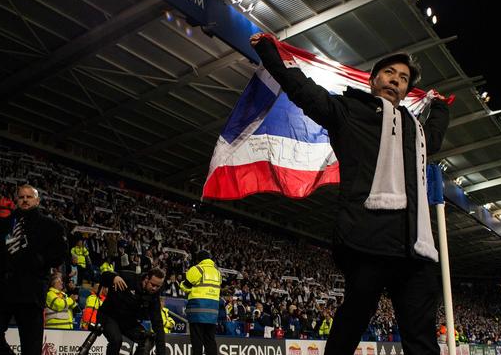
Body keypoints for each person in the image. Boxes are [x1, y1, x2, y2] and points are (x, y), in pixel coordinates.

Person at [251, 33, 450, 354]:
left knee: (422, 337)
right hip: (366, 240)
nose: (395, 81)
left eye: (403, 79)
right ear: (373, 80)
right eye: (389, 73)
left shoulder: (417, 132)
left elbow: (435, 137)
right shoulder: (347, 111)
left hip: (416, 249)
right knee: (353, 321)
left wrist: (440, 108)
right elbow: (301, 89)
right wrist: (268, 51)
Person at [0, 184, 68, 355]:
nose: (25, 200)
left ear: (37, 200)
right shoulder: (1, 225)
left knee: (31, 346)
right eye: (21, 197)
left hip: (30, 293)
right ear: (16, 200)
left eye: (29, 197)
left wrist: (40, 260)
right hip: (1, 292)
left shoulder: (51, 226)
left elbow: (60, 253)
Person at [97, 268, 166, 355]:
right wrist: (113, 277)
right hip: (109, 315)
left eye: (158, 286)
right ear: (146, 279)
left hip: (128, 322)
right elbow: (103, 276)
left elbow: (158, 324)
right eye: (153, 284)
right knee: (116, 340)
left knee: (148, 339)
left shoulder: (154, 296)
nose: (154, 288)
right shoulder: (130, 278)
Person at [181, 250, 221, 355]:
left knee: (197, 341)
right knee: (210, 340)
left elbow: (185, 286)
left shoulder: (197, 269)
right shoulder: (217, 272)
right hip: (212, 312)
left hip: (197, 311)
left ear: (199, 259)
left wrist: (190, 289)